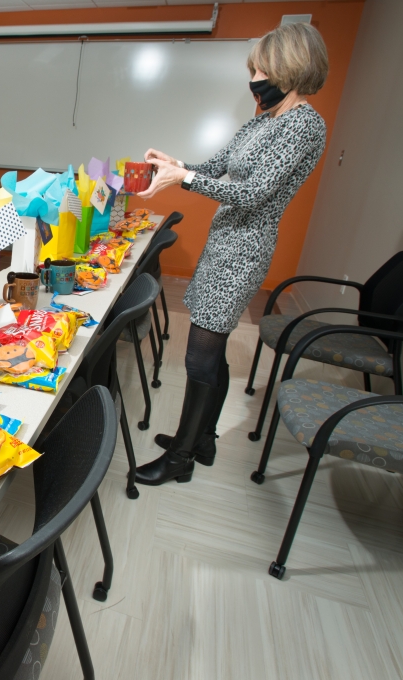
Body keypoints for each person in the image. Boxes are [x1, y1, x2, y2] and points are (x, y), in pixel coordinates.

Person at [133, 22, 329, 486]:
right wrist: (176, 167)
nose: (255, 76)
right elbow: (217, 169)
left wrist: (186, 180)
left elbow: (254, 193)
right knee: (211, 350)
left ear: (290, 66)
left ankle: (180, 459)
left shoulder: (304, 124)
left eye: (261, 67)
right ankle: (201, 440)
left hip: (243, 251)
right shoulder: (265, 119)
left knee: (201, 355)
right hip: (224, 243)